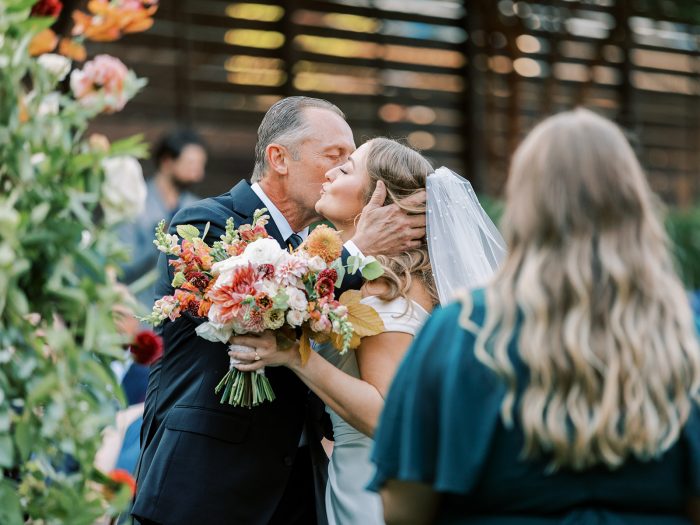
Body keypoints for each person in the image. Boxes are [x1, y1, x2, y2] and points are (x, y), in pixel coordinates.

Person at [369, 108, 700, 524]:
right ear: (636, 204)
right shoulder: (686, 330)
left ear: (524, 207)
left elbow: (403, 508)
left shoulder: (459, 331)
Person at [131, 98, 427, 525]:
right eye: (334, 156)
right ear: (279, 158)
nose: (339, 171)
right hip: (206, 486)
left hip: (299, 492)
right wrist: (358, 249)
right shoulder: (202, 225)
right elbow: (262, 312)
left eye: (349, 162)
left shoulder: (335, 251)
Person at [229, 137, 504, 525]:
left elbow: (386, 415)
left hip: (373, 491)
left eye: (346, 169)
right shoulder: (371, 276)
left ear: (378, 199)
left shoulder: (386, 288)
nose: (330, 173)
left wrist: (295, 356)